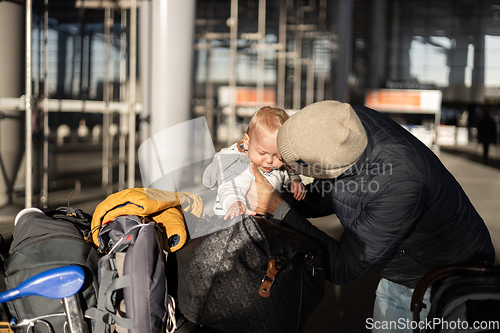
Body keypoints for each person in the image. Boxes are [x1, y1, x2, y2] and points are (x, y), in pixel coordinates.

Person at [246, 100, 495, 332]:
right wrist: (280, 199)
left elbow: (343, 266)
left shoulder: (401, 184)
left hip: (438, 278)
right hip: (398, 264)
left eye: (292, 166)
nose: (283, 168)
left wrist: (278, 206)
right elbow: (331, 194)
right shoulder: (343, 123)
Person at [202, 106, 306, 220]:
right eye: (262, 153)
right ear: (247, 142)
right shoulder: (239, 163)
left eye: (278, 156)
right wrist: (235, 203)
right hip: (233, 219)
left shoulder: (277, 166)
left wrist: (294, 180)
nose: (269, 160)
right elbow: (229, 188)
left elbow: (285, 171)